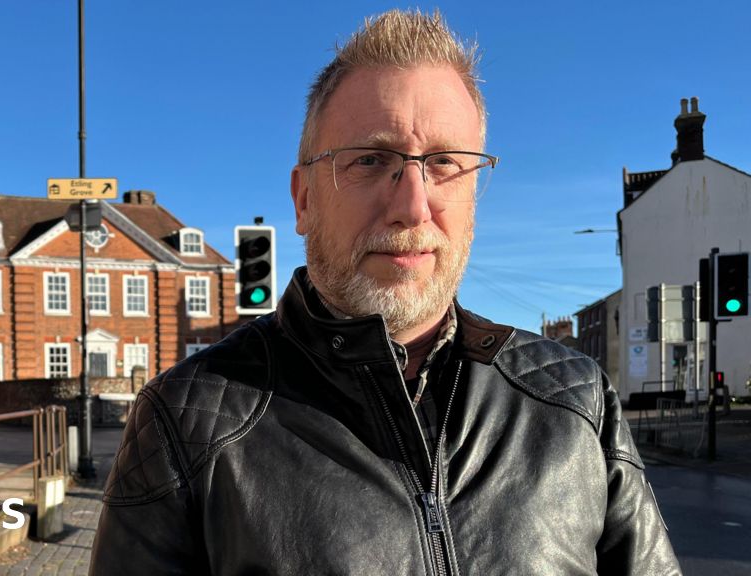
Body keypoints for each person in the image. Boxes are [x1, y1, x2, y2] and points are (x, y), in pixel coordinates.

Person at [90, 9, 680, 575]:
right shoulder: (186, 423)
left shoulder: (574, 401)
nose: (413, 206)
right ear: (303, 199)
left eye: (445, 162)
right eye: (371, 160)